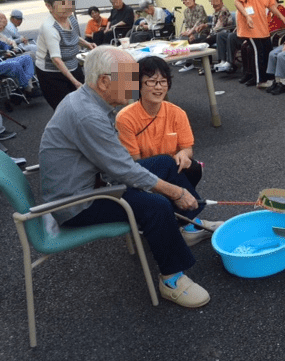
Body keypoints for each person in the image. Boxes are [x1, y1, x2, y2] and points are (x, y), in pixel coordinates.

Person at [39, 46, 222, 308]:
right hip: (77, 203)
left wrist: (173, 190)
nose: (136, 84)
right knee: (156, 205)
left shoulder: (88, 101)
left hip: (94, 182)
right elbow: (124, 170)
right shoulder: (87, 115)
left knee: (163, 162)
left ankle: (190, 225)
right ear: (104, 81)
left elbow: (119, 165)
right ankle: (171, 279)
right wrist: (176, 193)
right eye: (129, 77)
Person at [116, 56, 203, 189]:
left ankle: (182, 202)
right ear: (137, 84)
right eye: (151, 82)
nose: (159, 87)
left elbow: (187, 148)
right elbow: (136, 163)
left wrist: (183, 154)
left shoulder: (177, 113)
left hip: (172, 170)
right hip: (144, 174)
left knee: (194, 168)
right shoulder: (125, 118)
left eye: (163, 82)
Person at [35, 0, 96, 110]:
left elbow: (72, 36)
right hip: (52, 73)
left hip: (71, 65)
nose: (68, 7)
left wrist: (87, 44)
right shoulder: (49, 27)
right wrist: (75, 82)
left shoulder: (70, 17)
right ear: (49, 6)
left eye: (70, 2)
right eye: (63, 3)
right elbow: (56, 59)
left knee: (84, 101)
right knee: (65, 109)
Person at [251, 0, 285, 88]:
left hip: (278, 37)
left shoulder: (280, 9)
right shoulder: (269, 11)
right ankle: (253, 75)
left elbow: (280, 27)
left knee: (262, 46)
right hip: (269, 36)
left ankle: (268, 77)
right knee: (248, 47)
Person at [199, 0, 234, 75]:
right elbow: (214, 23)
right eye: (211, 0)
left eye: (214, 0)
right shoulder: (216, 10)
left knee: (203, 43)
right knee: (196, 41)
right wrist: (206, 25)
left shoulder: (223, 10)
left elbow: (219, 26)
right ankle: (207, 65)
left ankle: (208, 66)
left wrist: (209, 35)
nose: (212, 3)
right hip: (216, 33)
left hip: (223, 33)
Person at [177, 0, 208, 73]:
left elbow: (199, 21)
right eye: (184, 0)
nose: (186, 2)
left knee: (191, 40)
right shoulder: (185, 11)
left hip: (201, 32)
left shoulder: (199, 7)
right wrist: (189, 33)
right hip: (191, 32)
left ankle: (189, 63)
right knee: (181, 39)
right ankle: (185, 60)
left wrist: (190, 33)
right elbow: (187, 25)